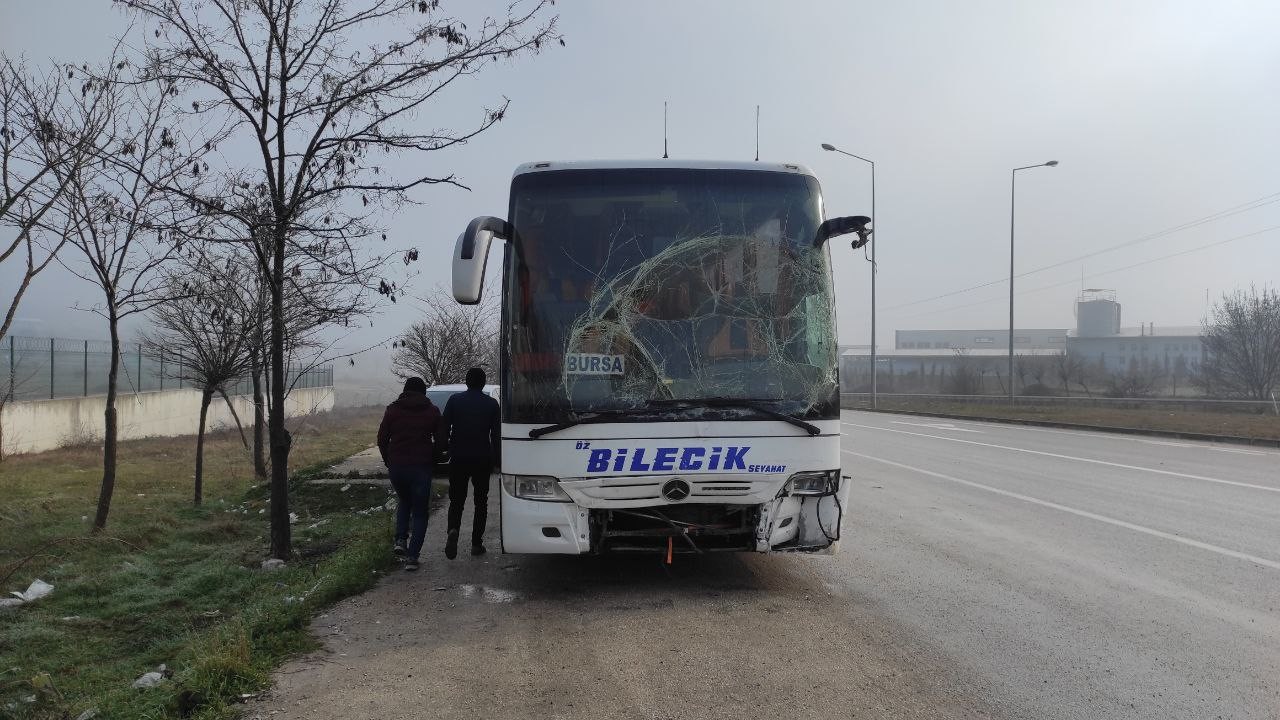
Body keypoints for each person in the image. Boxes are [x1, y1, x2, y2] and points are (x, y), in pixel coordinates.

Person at [377, 376, 443, 571]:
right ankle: (412, 558)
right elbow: (441, 441)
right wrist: (435, 460)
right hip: (421, 467)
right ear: (423, 392)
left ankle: (400, 540)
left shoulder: (392, 410)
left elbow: (382, 439)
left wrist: (389, 460)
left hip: (397, 467)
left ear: (405, 390)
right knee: (421, 512)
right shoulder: (432, 411)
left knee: (405, 501)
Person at [440, 367, 501, 559]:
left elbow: (444, 427)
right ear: (483, 383)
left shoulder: (454, 401)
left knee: (456, 499)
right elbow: (496, 436)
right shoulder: (491, 404)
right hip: (482, 457)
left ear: (466, 382)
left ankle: (453, 529)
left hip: (458, 457)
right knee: (480, 501)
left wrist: (445, 447)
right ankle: (476, 543)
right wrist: (498, 460)